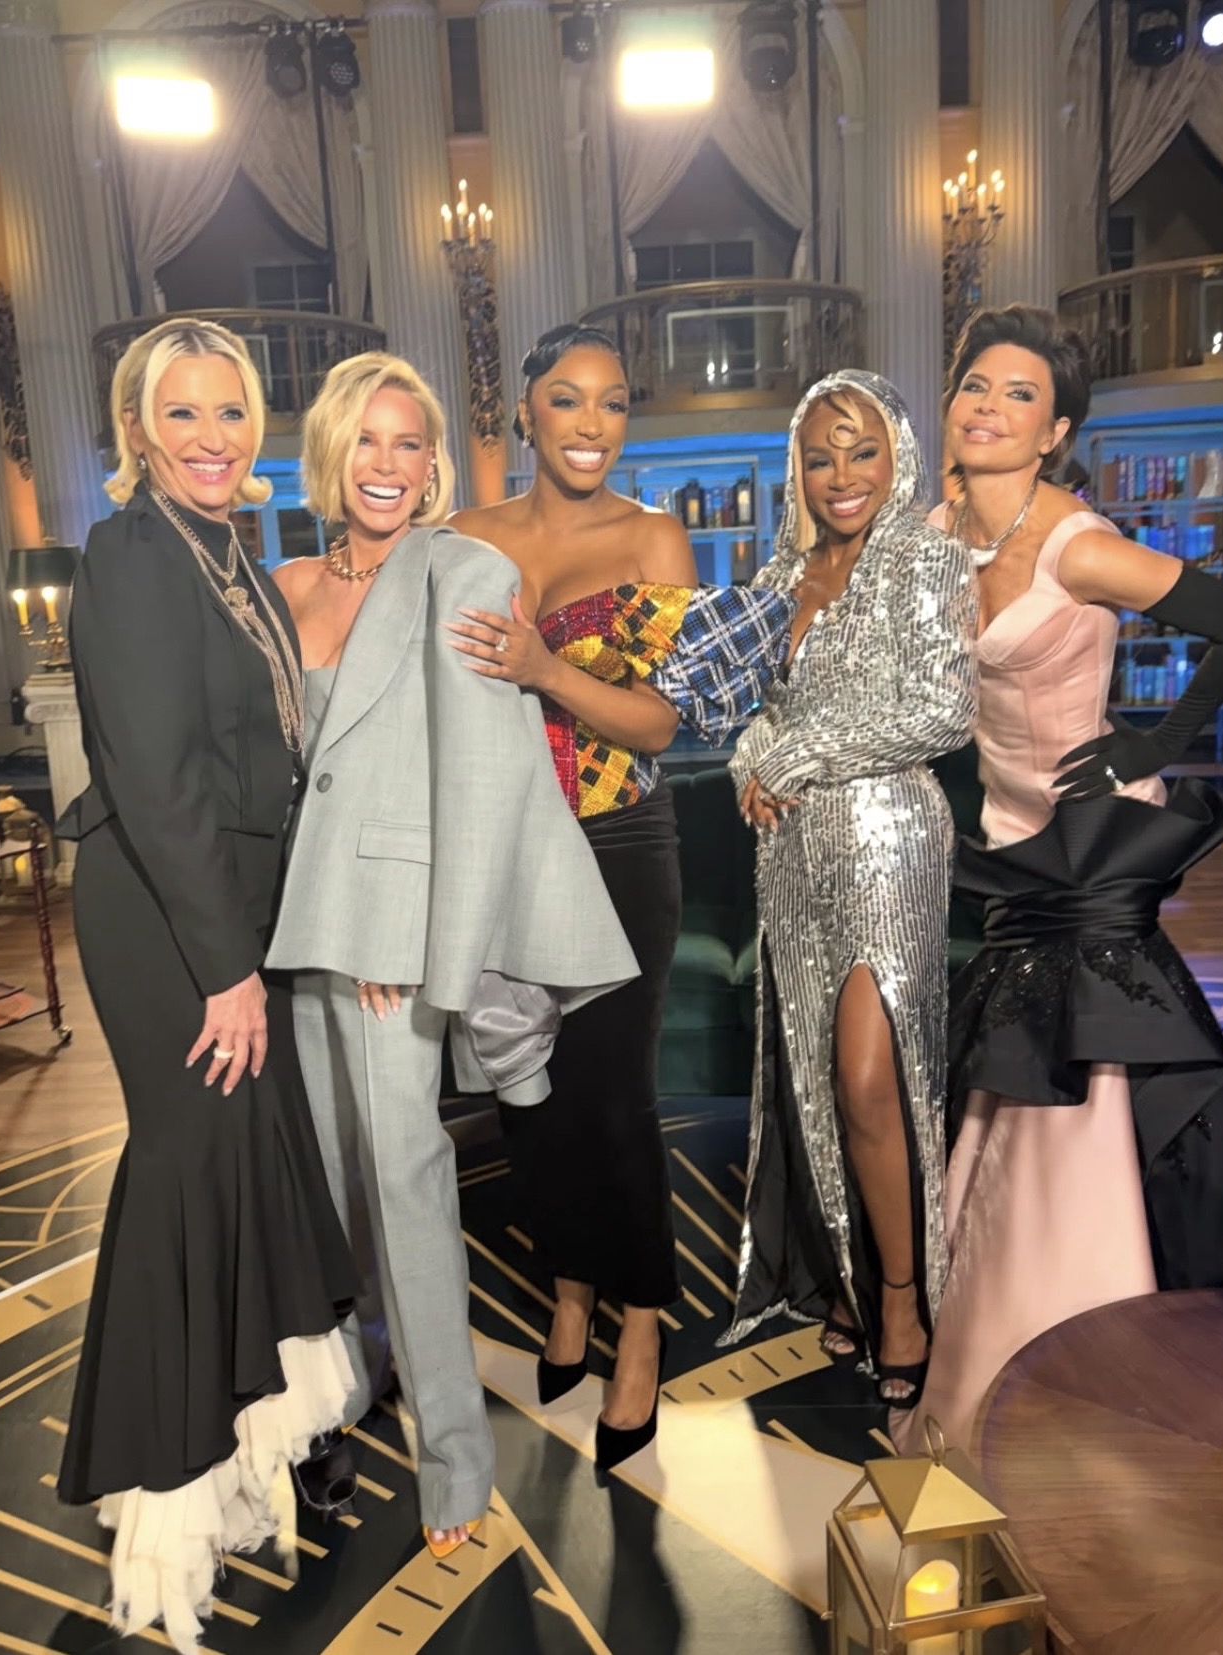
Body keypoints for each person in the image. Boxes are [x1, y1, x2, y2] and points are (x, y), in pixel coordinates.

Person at [264, 351, 637, 1551]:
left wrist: (433, 946)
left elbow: (483, 784)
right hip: (288, 930)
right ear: (331, 451)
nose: (388, 463)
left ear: (433, 462)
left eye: (410, 441)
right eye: (367, 439)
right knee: (329, 1188)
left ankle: (456, 1460)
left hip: (388, 941)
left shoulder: (463, 572)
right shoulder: (280, 586)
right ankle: (349, 1379)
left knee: (407, 1184)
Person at [898, 304, 1223, 1451]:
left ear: (1055, 429)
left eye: (1019, 394)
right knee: (1013, 1068)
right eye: (975, 384)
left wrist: (1154, 743)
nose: (989, 407)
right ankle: (990, 1318)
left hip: (1096, 839)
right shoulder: (934, 533)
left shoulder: (1080, 546)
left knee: (1077, 1072)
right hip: (1011, 840)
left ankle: (1077, 1340)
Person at [57, 319, 356, 1654]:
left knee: (244, 1165)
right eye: (180, 413)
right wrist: (228, 968)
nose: (211, 437)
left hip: (233, 904)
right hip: (169, 916)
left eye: (230, 411)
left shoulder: (226, 547)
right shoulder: (130, 553)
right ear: (137, 428)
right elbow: (159, 781)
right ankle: (169, 1492)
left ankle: (245, 1451)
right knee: (191, 1171)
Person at [446, 323, 790, 1469]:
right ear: (526, 414)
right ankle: (570, 1287)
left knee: (613, 1094)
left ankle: (641, 1317)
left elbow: (658, 725)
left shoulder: (653, 536)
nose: (591, 423)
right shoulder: (464, 537)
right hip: (504, 845)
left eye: (612, 402)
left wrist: (543, 667)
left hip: (618, 843)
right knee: (529, 1095)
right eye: (567, 398)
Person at [718, 371, 977, 1409]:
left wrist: (806, 750)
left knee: (870, 1075)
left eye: (861, 450)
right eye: (820, 456)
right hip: (791, 847)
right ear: (797, 466)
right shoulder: (779, 571)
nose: (841, 474)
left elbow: (945, 709)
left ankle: (903, 1297)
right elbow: (758, 709)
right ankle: (849, 1265)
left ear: (896, 452)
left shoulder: (925, 555)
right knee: (816, 1076)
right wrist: (752, 758)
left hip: (889, 836)